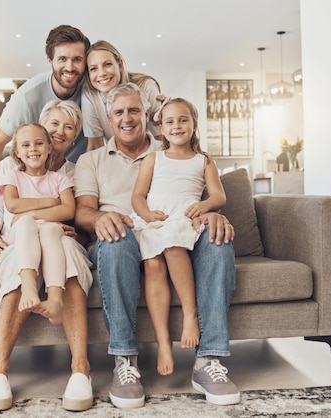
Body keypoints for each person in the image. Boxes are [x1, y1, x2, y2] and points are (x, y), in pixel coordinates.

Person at [74, 83, 240, 409]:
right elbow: (81, 211)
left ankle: (209, 360)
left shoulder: (173, 154)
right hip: (127, 233)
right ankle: (125, 361)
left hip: (179, 227)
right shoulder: (91, 160)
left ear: (147, 116)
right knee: (115, 237)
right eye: (119, 112)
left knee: (218, 240)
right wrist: (101, 218)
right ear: (109, 118)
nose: (126, 118)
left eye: (133, 110)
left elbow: (210, 195)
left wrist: (213, 213)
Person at [0, 100, 93, 412]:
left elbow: (78, 218)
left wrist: (76, 232)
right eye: (54, 124)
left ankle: (80, 369)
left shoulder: (72, 171)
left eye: (69, 127)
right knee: (17, 255)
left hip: (57, 240)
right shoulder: (10, 169)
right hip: (18, 239)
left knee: (68, 249)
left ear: (74, 137)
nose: (60, 131)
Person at [130, 98, 227, 376]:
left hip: (182, 220)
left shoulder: (204, 161)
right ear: (161, 127)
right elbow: (137, 195)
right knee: (152, 265)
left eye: (183, 120)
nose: (177, 126)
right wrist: (146, 214)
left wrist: (205, 206)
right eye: (170, 121)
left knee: (173, 245)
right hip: (154, 220)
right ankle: (163, 342)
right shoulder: (154, 158)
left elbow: (219, 195)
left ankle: (189, 314)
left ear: (194, 124)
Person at [0, 25, 90, 185]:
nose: (70, 67)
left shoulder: (94, 87)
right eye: (62, 59)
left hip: (72, 174)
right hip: (32, 173)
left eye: (77, 60)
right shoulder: (27, 98)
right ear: (50, 61)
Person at [0, 123, 75, 325]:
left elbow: (68, 210)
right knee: (25, 224)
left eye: (39, 143)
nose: (33, 149)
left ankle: (55, 301)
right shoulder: (13, 177)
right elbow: (13, 204)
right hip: (21, 232)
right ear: (17, 151)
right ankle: (29, 287)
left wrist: (29, 212)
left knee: (50, 229)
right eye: (26, 145)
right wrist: (49, 202)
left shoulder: (59, 179)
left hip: (48, 231)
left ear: (49, 148)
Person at [81, 40, 163, 151]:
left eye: (108, 64)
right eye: (93, 68)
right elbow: (95, 146)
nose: (102, 73)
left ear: (119, 65)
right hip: (117, 156)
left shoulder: (146, 86)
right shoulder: (89, 94)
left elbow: (161, 137)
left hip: (148, 153)